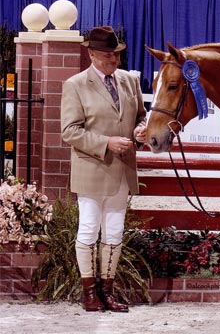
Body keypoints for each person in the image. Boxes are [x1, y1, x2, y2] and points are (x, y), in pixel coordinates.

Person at [60, 26, 147, 312]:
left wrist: (140, 131)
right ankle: (89, 293)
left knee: (114, 232)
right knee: (88, 230)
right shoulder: (75, 84)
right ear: (92, 54)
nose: (115, 59)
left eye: (117, 53)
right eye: (108, 54)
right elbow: (70, 131)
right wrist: (106, 142)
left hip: (122, 170)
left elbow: (140, 118)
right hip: (92, 169)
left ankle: (107, 292)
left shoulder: (129, 81)